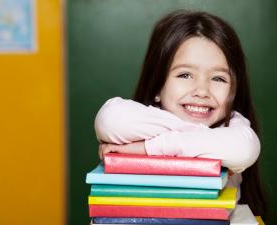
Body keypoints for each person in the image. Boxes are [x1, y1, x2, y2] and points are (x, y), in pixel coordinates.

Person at [94, 10, 268, 220]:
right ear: (158, 85)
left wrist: (148, 148)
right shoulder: (146, 118)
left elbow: (245, 149)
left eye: (219, 78)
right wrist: (184, 132)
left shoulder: (231, 126)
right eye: (185, 75)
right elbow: (110, 118)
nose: (202, 91)